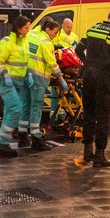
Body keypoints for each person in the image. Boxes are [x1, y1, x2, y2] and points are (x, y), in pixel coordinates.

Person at [75, 8, 110, 167]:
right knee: (103, 116)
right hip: (103, 78)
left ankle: (87, 153)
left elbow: (78, 49)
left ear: (109, 16)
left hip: (88, 76)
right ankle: (99, 156)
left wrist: (88, 63)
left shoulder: (92, 29)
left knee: (89, 114)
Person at [0, 16, 32, 158]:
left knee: (11, 110)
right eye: (26, 28)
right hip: (6, 82)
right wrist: (6, 76)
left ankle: (3, 144)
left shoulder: (24, 42)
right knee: (15, 108)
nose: (28, 30)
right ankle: (3, 142)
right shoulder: (7, 42)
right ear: (18, 28)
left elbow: (25, 62)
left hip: (19, 82)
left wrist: (29, 74)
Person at [27, 19, 67, 151]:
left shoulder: (33, 36)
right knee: (36, 109)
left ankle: (25, 134)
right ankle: (36, 139)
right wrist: (61, 79)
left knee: (28, 106)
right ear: (48, 29)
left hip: (28, 76)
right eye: (54, 32)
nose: (55, 35)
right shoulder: (46, 43)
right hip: (39, 79)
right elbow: (52, 63)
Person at [50, 18, 79, 124]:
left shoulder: (74, 36)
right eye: (68, 27)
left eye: (71, 27)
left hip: (70, 69)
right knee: (56, 94)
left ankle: (63, 116)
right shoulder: (57, 35)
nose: (70, 29)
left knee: (67, 96)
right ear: (62, 26)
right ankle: (55, 117)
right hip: (59, 67)